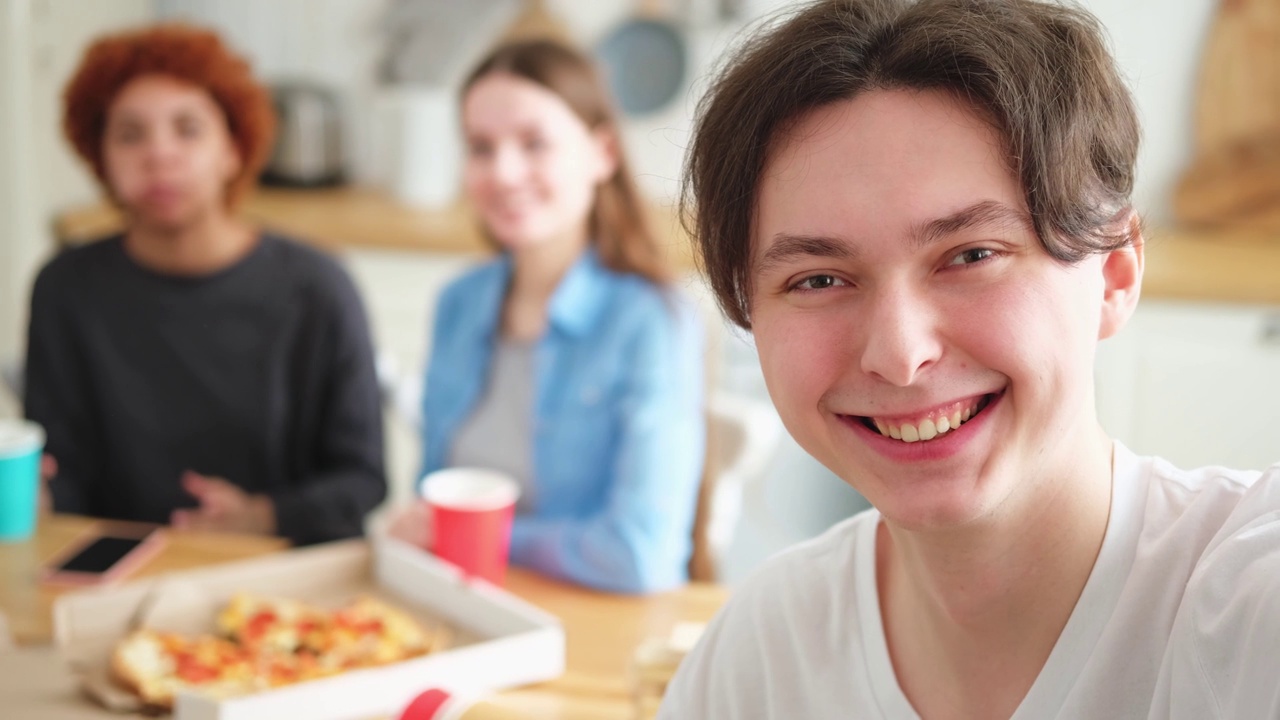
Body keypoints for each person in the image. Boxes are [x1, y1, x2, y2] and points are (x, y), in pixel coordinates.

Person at [660, 0, 1280, 717]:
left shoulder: (1245, 609)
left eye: (972, 255)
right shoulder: (764, 652)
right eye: (819, 279)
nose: (899, 355)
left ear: (1115, 273)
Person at [24, 24, 386, 545]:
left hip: (285, 584)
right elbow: (65, 477)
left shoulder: (318, 288)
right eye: (130, 135)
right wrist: (40, 497)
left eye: (188, 129)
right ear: (100, 158)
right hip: (122, 579)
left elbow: (363, 480)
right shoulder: (65, 288)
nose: (159, 154)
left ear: (233, 150)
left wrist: (264, 515)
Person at [419, 40, 706, 594]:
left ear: (602, 153)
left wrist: (483, 536)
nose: (503, 172)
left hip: (591, 624)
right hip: (463, 606)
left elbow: (639, 555)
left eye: (534, 143)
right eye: (481, 147)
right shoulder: (458, 303)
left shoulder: (651, 321)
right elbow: (435, 495)